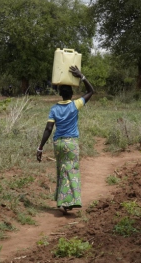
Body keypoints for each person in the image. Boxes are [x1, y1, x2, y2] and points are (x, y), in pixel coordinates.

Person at [36, 65, 94, 214]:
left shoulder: (54, 109)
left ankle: (63, 202)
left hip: (58, 143)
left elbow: (48, 129)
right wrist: (82, 76)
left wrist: (40, 147)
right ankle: (71, 201)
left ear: (60, 94)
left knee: (62, 171)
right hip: (71, 143)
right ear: (72, 93)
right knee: (72, 170)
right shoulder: (75, 105)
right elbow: (91, 91)